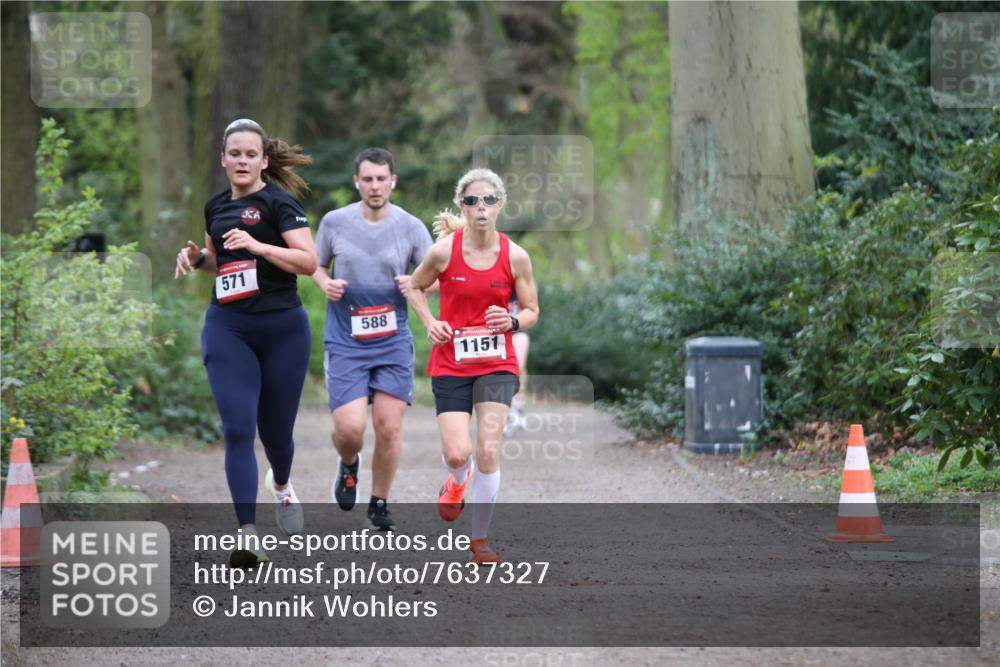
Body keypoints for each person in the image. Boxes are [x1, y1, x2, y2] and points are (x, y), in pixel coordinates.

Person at [175, 118, 317, 568]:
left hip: (282, 329)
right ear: (223, 159)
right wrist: (199, 259)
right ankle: (247, 533)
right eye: (234, 153)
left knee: (276, 436)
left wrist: (260, 247)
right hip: (229, 326)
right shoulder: (214, 205)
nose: (241, 160)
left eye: (250, 154)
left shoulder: (280, 204)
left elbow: (309, 262)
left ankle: (282, 484)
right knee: (238, 427)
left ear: (263, 160)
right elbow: (219, 262)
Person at [407, 168, 539, 565]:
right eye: (471, 202)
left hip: (497, 363)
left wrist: (513, 322)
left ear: (500, 205)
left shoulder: (516, 256)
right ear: (462, 206)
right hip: (451, 362)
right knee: (456, 453)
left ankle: (479, 539)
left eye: (488, 201)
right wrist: (431, 323)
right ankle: (457, 479)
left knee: (487, 448)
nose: (480, 209)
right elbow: (414, 286)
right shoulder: (444, 251)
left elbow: (532, 310)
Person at [311, 148, 433, 531]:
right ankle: (349, 465)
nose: (375, 186)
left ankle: (379, 503)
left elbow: (434, 276)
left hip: (392, 340)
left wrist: (415, 282)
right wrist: (325, 283)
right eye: (368, 179)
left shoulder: (412, 227)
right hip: (346, 340)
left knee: (389, 426)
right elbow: (316, 265)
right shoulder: (334, 222)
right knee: (350, 430)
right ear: (357, 182)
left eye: (382, 179)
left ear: (393, 181)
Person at [503, 295, 530, 436]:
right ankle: (505, 414)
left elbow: (531, 306)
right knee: (502, 371)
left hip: (517, 330)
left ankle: (518, 405)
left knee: (518, 366)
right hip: (496, 333)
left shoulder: (519, 278)